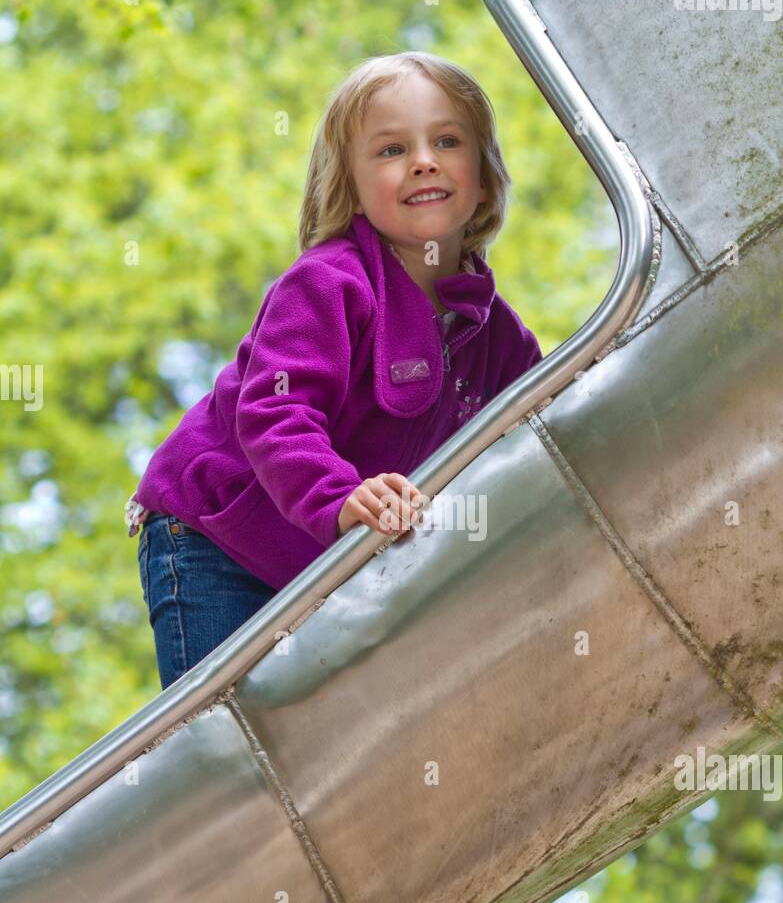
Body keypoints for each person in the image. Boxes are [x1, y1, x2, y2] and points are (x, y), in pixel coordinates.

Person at [125, 51, 544, 690]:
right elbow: (275, 412)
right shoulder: (329, 285)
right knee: (223, 736)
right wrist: (339, 496)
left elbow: (531, 439)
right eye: (391, 150)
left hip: (322, 560)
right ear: (350, 185)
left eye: (448, 141)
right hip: (217, 540)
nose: (424, 160)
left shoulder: (499, 338)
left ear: (483, 176)